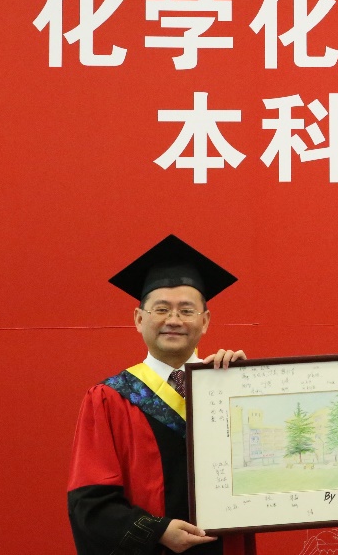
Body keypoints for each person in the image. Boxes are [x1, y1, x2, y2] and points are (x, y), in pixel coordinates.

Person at [67, 234, 255, 555]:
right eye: (162, 309)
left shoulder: (230, 387)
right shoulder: (110, 399)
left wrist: (248, 388)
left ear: (205, 321)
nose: (173, 320)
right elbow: (89, 504)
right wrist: (157, 531)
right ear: (139, 319)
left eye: (186, 310)